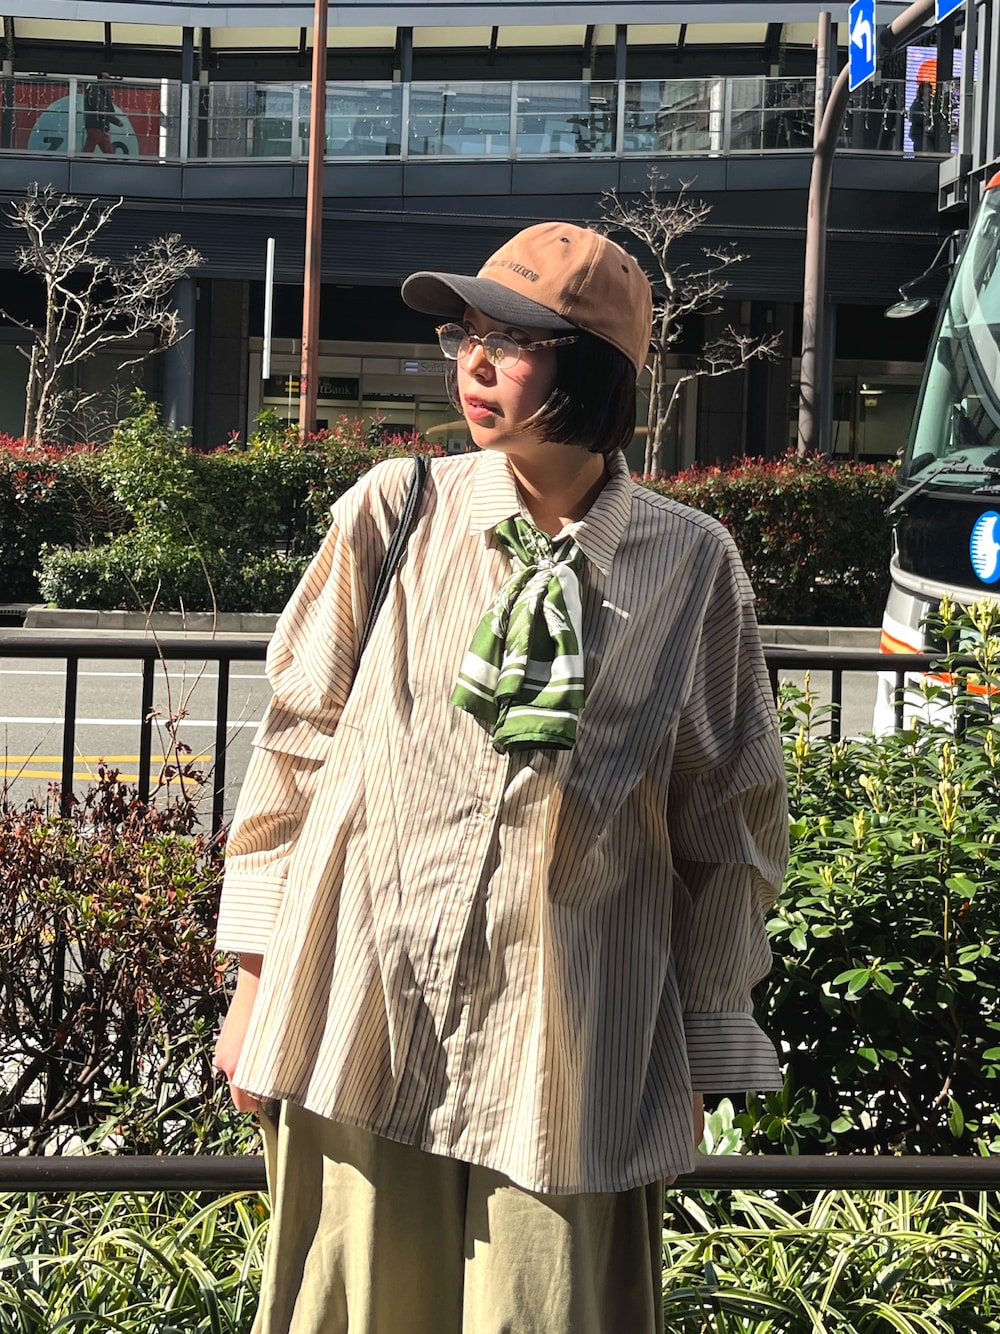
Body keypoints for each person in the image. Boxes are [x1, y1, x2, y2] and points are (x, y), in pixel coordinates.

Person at [214, 221, 788, 1334]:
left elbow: (730, 815)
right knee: (356, 1308)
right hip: (363, 1003)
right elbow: (297, 744)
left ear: (593, 369)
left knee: (547, 1308)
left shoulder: (689, 562)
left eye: (513, 341)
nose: (474, 363)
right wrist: (253, 988)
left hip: (570, 1036)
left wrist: (704, 1042)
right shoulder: (395, 511)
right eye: (464, 335)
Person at [82, 72, 122, 155]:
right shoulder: (96, 91)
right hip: (97, 125)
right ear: (102, 78)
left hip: (99, 125)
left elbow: (102, 109)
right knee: (92, 147)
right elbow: (100, 109)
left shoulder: (99, 91)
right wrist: (115, 121)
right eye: (107, 78)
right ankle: (84, 160)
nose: (109, 81)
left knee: (95, 147)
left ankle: (83, 160)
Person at [909, 80, 933, 153]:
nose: (929, 94)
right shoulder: (916, 104)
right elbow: (913, 118)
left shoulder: (932, 104)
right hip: (919, 133)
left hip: (929, 135)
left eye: (930, 92)